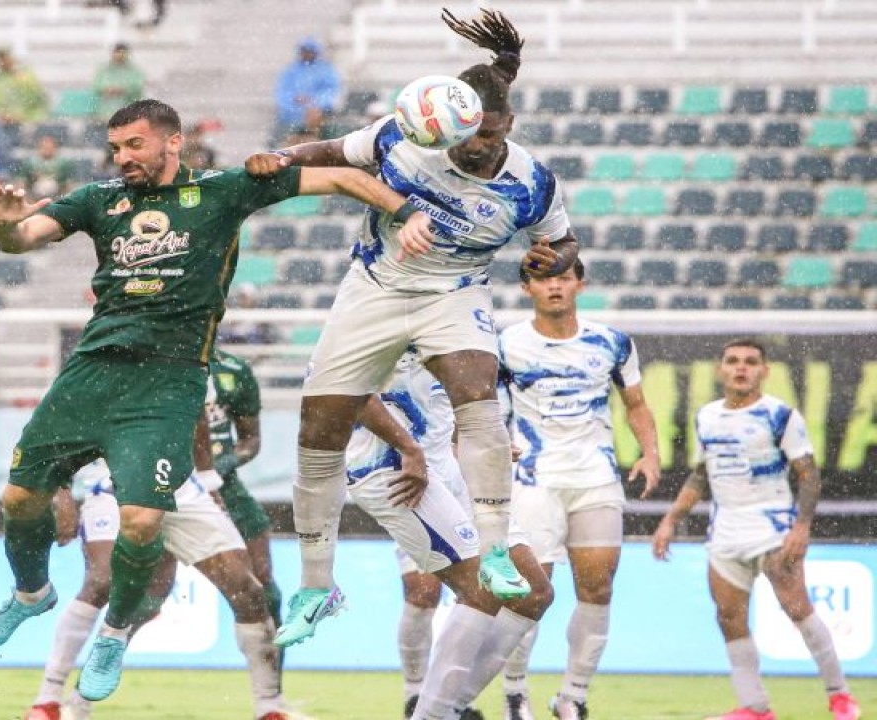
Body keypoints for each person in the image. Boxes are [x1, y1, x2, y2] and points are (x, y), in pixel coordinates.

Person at [0, 98, 434, 703]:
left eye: (134, 145)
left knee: (141, 523)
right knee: (18, 497)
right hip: (92, 369)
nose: (122, 158)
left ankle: (112, 633)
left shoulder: (223, 191)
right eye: (115, 148)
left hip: (167, 380)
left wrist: (407, 213)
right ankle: (30, 594)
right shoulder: (98, 200)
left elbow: (343, 176)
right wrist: (5, 221)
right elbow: (21, 239)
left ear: (172, 142)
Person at [246, 8, 578, 647]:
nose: (475, 148)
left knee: (477, 391)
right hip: (373, 286)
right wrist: (280, 156)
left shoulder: (533, 183)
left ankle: (495, 552)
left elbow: (565, 247)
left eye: (489, 135)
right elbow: (331, 151)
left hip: (453, 292)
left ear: (508, 125)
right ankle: (318, 585)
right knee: (319, 427)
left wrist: (552, 258)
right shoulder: (403, 138)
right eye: (465, 137)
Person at [652, 339, 861, 720]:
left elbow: (808, 474)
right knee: (729, 617)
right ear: (721, 370)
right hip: (726, 531)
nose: (741, 368)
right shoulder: (707, 417)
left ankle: (840, 696)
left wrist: (802, 526)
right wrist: (670, 520)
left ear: (764, 371)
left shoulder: (780, 416)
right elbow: (701, 475)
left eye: (750, 362)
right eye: (732, 361)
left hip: (773, 527)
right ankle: (756, 707)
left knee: (797, 609)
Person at [342, 351, 552, 720]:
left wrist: (485, 443)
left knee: (533, 592)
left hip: (453, 471)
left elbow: (448, 407)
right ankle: (421, 700)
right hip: (398, 470)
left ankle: (445, 706)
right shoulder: (384, 310)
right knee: (451, 590)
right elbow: (348, 387)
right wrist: (409, 448)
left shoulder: (456, 321)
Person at [495, 259, 661, 720]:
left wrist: (650, 452)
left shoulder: (612, 341)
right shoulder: (506, 344)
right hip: (534, 480)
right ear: (528, 288)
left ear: (579, 285)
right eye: (545, 279)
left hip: (595, 479)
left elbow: (637, 404)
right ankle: (514, 693)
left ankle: (573, 696)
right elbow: (486, 405)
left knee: (598, 590)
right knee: (528, 592)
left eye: (563, 278)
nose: (555, 286)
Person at [26, 447, 289, 720]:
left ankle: (269, 707)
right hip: (116, 481)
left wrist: (210, 485)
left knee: (246, 589)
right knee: (102, 581)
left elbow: (197, 420)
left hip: (181, 485)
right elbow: (63, 428)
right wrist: (61, 490)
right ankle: (48, 700)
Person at [205, 346, 282, 629]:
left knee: (263, 581)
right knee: (147, 593)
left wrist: (221, 466)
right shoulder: (158, 363)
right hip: (166, 486)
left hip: (225, 487)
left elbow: (250, 441)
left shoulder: (233, 370)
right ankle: (102, 659)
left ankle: (272, 671)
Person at [272, 37, 340, 144]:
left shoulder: (325, 70)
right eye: (305, 51)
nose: (307, 54)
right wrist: (296, 102)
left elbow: (330, 91)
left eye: (310, 51)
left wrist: (314, 104)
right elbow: (282, 93)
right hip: (291, 119)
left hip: (317, 118)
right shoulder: (291, 70)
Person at [0, 48, 50, 127]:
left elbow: (37, 99)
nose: (2, 62)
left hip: (30, 122)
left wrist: (20, 116)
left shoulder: (26, 74)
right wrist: (1, 115)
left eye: (4, 58)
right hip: (5, 124)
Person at [91, 43, 145, 120]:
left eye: (123, 53)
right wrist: (107, 90)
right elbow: (96, 86)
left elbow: (138, 87)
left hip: (129, 111)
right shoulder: (104, 70)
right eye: (118, 53)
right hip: (105, 112)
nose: (120, 56)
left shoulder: (134, 70)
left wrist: (122, 90)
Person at [18, 133, 75, 198]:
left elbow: (69, 184)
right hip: (35, 194)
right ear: (39, 148)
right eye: (44, 147)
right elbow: (22, 182)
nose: (47, 150)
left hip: (57, 195)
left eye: (50, 147)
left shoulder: (63, 163)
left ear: (55, 148)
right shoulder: (30, 162)